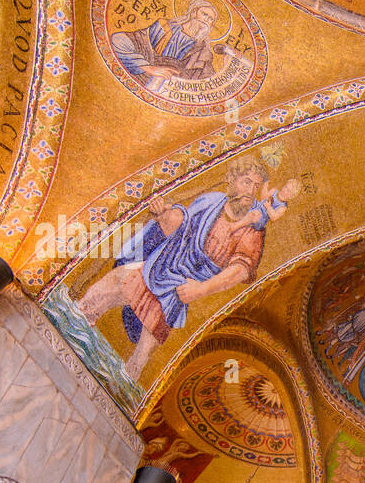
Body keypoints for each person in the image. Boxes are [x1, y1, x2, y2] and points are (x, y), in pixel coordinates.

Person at [78, 158, 300, 379]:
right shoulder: (210, 201)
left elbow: (241, 269)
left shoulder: (253, 230)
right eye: (246, 182)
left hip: (181, 290)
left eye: (255, 186)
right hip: (161, 265)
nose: (250, 191)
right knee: (104, 292)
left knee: (140, 358)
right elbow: (180, 224)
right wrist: (162, 213)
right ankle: (76, 324)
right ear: (230, 180)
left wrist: (202, 289)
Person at [110, 0, 219, 88]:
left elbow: (208, 82)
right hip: (142, 79)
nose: (206, 20)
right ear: (194, 12)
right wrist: (147, 67)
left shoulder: (204, 52)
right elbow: (120, 41)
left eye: (211, 20)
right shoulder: (163, 27)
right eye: (204, 14)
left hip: (170, 92)